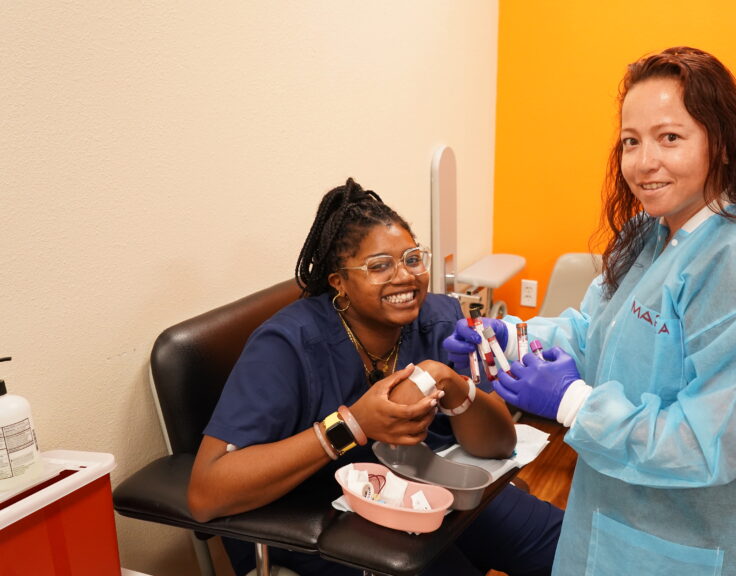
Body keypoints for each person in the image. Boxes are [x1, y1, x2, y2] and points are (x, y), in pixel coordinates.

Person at [444, 47, 736, 575]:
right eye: (631, 142)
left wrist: (574, 404)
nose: (643, 161)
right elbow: (593, 334)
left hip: (697, 546)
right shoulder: (650, 235)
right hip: (616, 524)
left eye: (669, 138)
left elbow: (710, 443)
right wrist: (512, 341)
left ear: (719, 143)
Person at [188, 178, 563, 576]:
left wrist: (456, 388)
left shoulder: (439, 319)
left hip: (428, 491)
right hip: (319, 516)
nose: (405, 277)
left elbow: (500, 443)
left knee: (569, 550)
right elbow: (206, 492)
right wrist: (351, 426)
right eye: (379, 266)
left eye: (413, 259)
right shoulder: (288, 346)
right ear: (340, 283)